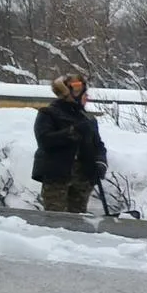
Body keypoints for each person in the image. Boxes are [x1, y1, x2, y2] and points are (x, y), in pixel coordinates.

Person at [31, 74, 107, 213]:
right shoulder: (48, 114)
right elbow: (45, 140)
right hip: (56, 176)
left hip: (83, 177)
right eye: (83, 93)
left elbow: (98, 145)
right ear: (69, 94)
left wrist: (101, 163)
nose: (86, 97)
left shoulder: (88, 118)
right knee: (55, 218)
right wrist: (72, 132)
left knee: (78, 219)